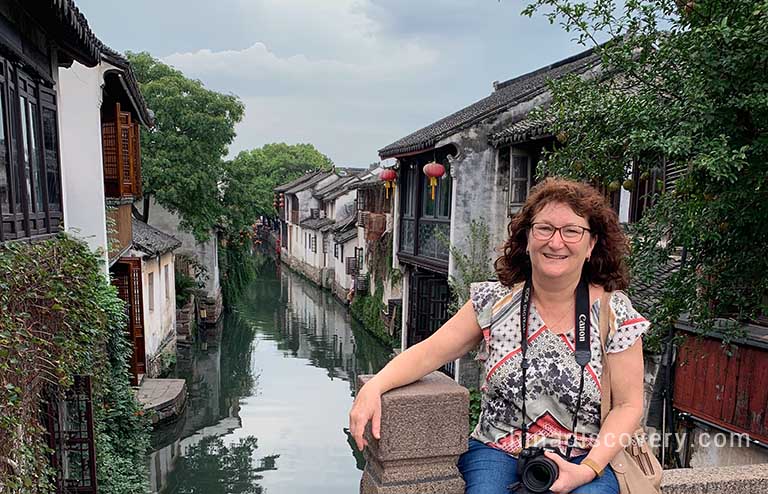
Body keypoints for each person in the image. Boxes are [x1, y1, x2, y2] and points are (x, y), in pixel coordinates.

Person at [349, 178, 649, 494]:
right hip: (498, 447)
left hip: (587, 454)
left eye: (572, 231)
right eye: (544, 228)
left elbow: (628, 405)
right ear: (528, 237)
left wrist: (588, 469)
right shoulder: (495, 301)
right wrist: (377, 386)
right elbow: (429, 352)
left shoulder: (614, 312)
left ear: (591, 245)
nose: (556, 242)